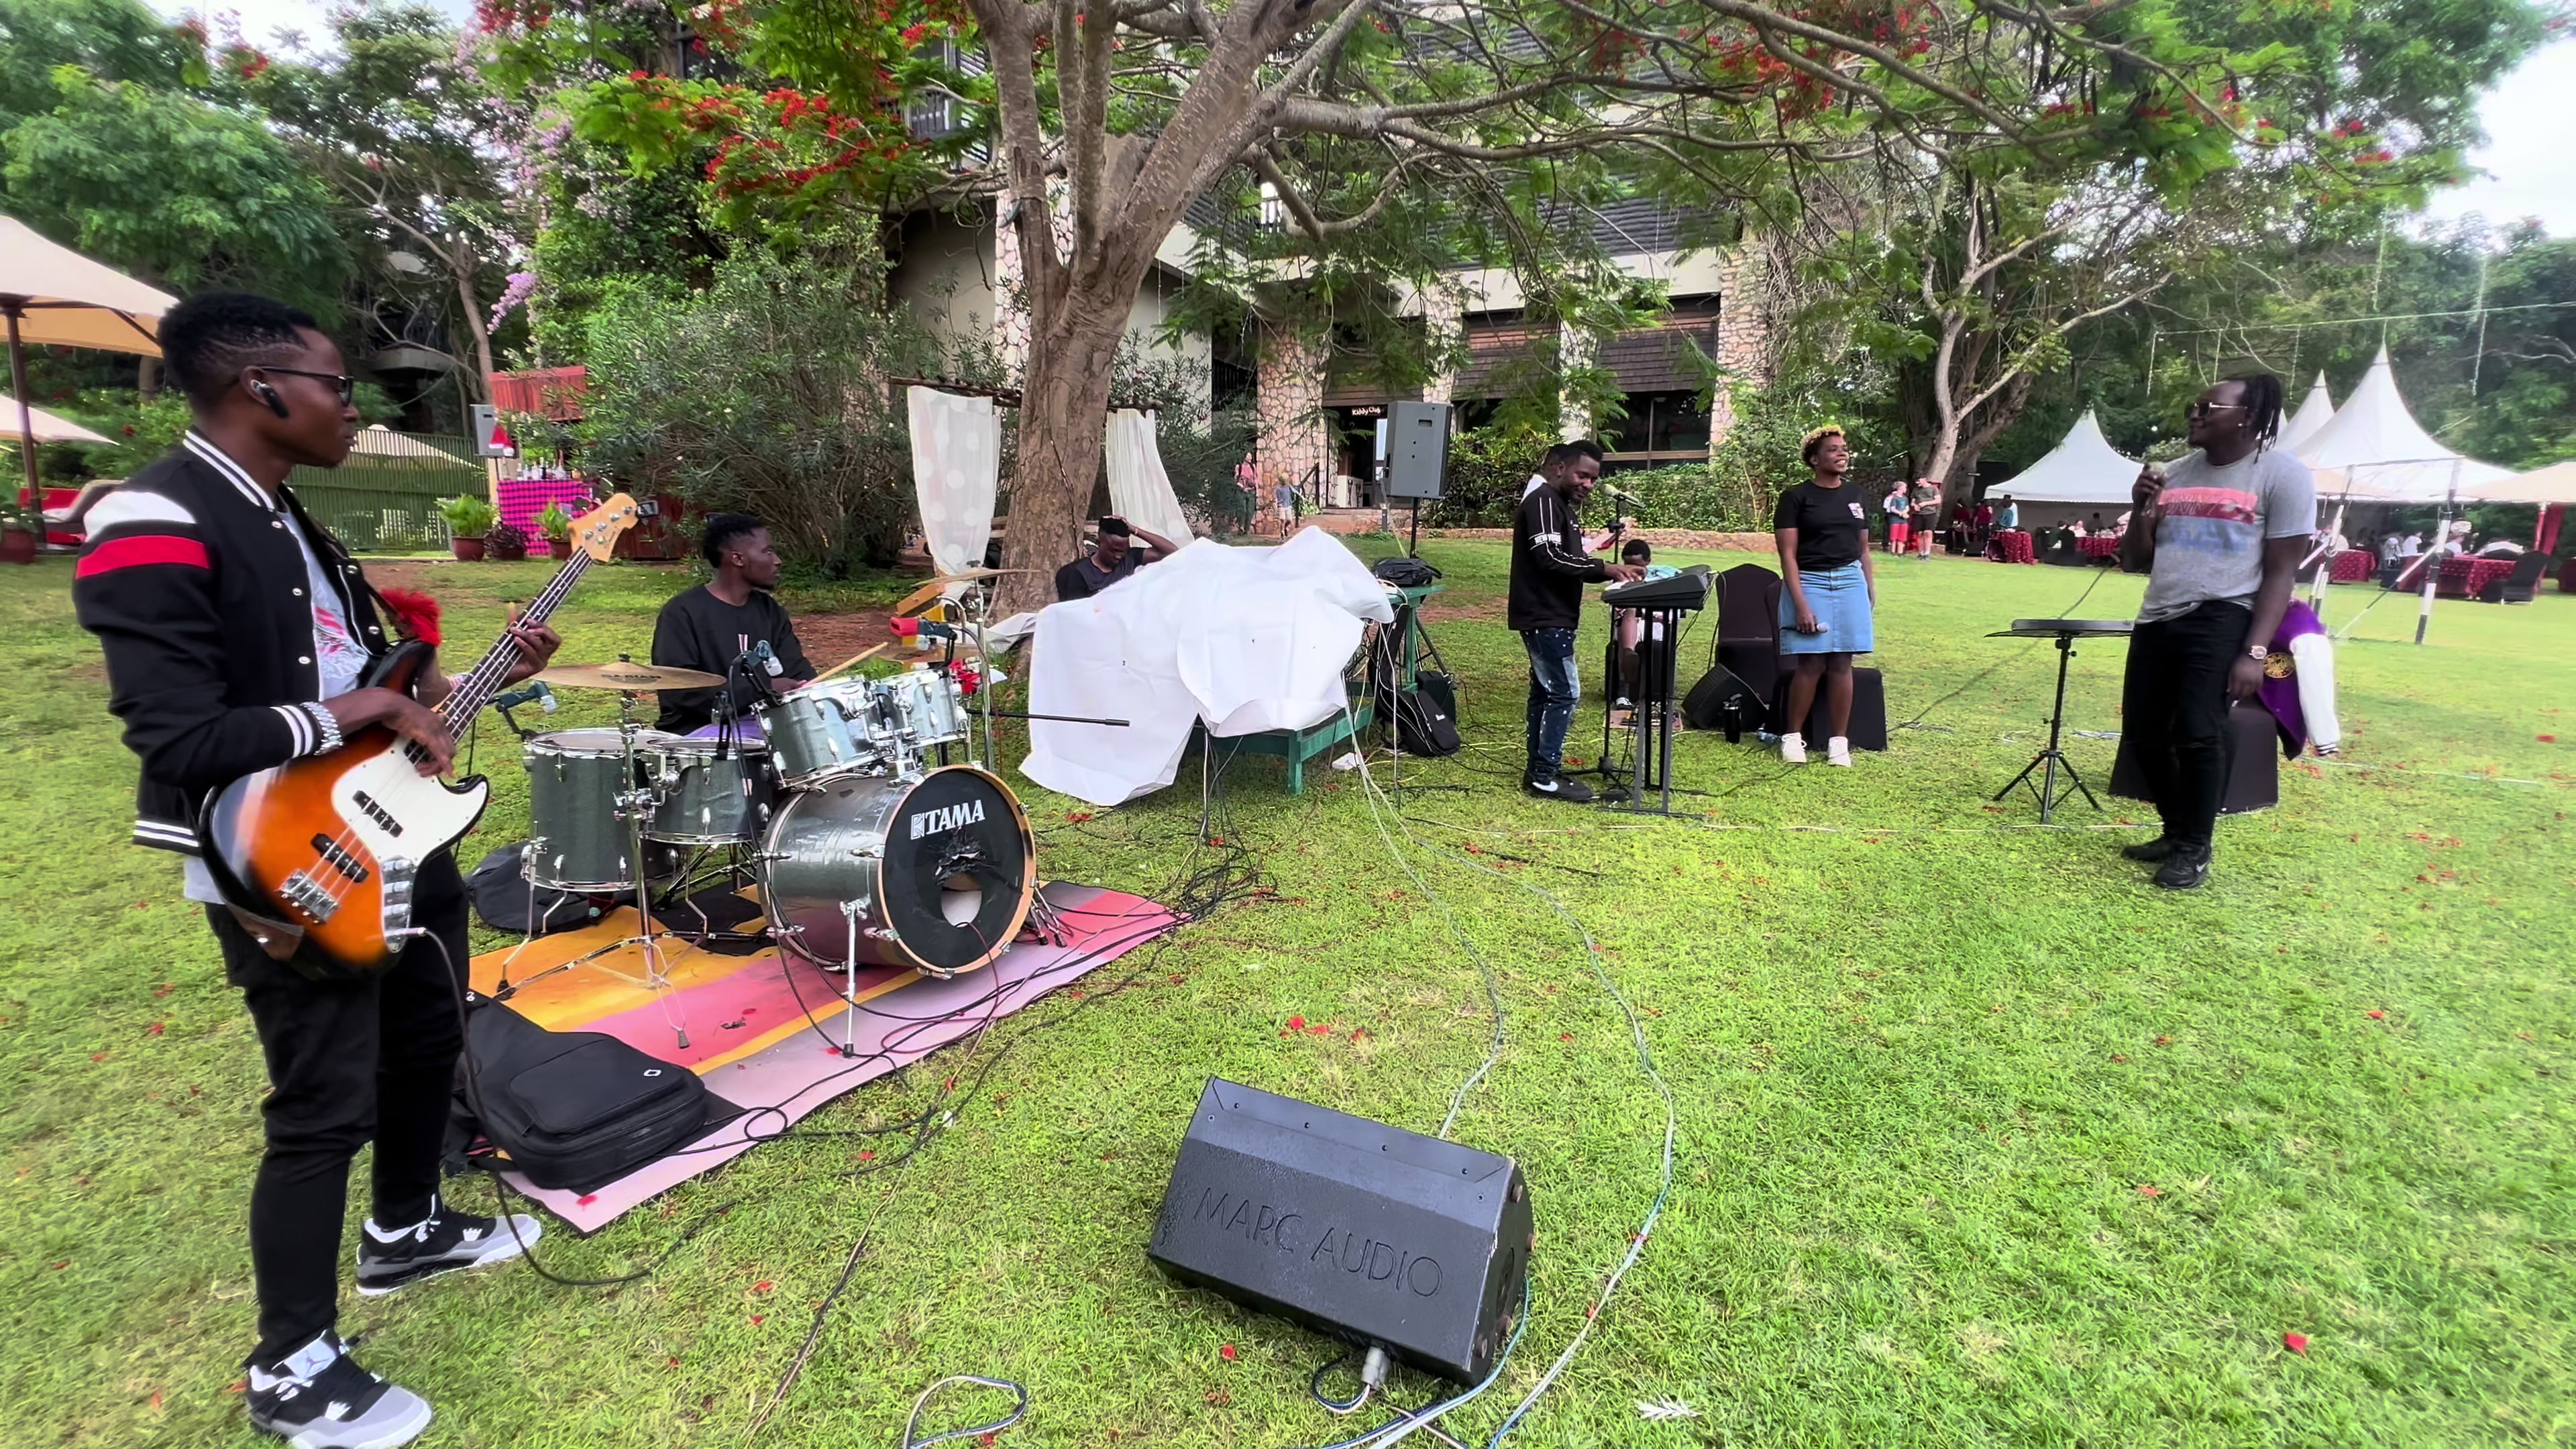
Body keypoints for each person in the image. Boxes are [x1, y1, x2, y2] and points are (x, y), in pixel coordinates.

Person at [71, 292, 563, 1449]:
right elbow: (179, 737)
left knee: (427, 1037)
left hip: (394, 827)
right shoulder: (153, 514)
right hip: (286, 858)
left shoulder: (296, 518)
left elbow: (365, 677)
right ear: (261, 387)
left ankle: (407, 1228)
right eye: (337, 386)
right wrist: (368, 708)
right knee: (321, 1103)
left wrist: (450, 683)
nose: (353, 408)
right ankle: (291, 1368)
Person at [2116, 372, 2314, 890]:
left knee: (2198, 732)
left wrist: (2255, 651)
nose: (2196, 414)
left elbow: (2281, 573)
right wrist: (2141, 509)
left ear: (2248, 416)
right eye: (2195, 405)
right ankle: (2175, 829)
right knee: (2143, 733)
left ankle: (2194, 848)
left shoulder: (2282, 476)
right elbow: (2134, 560)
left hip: (2224, 614)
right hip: (2158, 616)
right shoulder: (2175, 474)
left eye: (2210, 408)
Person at [1510, 439, 1645, 801]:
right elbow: (1549, 558)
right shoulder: (1542, 501)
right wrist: (1606, 568)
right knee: (1565, 693)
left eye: (1594, 479)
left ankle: (1540, 770)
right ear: (1559, 468)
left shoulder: (1560, 506)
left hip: (1553, 614)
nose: (1588, 484)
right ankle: (1544, 776)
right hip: (1544, 614)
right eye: (1582, 475)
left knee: (1546, 691)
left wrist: (1606, 569)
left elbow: (1567, 558)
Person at [650, 513, 817, 735]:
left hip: (766, 723)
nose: (777, 561)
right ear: (738, 559)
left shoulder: (770, 610)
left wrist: (810, 687)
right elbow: (680, 690)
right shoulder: (682, 612)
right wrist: (763, 689)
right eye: (767, 551)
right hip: (701, 730)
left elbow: (797, 670)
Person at [1775, 427, 1876, 765]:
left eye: (1843, 448)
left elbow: (1863, 549)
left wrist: (1868, 587)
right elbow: (1788, 556)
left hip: (1850, 580)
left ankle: (1839, 744)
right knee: (1811, 661)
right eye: (1833, 449)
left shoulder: (1856, 495)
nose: (1841, 453)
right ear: (1814, 459)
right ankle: (1792, 738)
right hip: (1810, 579)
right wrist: (1800, 604)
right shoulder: (1795, 497)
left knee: (1842, 661)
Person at [1611, 537, 1679, 712]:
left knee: (1633, 614)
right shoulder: (1620, 582)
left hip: (1657, 625)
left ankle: (1653, 693)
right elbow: (1617, 610)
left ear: (1648, 562)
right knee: (1631, 613)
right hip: (1632, 626)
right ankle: (1624, 689)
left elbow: (1675, 612)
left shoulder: (1663, 578)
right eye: (1628, 565)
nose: (1632, 569)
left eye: (1638, 565)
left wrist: (1650, 615)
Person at [1054, 514, 1181, 602]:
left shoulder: (1130, 559)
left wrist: (1134, 530)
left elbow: (1171, 552)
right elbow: (1075, 616)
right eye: (1113, 550)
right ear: (1099, 543)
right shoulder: (1079, 574)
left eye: (1123, 551)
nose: (1119, 556)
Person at [1913, 478, 1943, 557]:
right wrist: (1915, 506)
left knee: (1928, 532)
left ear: (1924, 479)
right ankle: (1921, 553)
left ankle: (1927, 553)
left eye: (1919, 481)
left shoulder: (1933, 489)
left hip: (1930, 513)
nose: (1917, 483)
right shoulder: (1916, 490)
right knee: (1920, 533)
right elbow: (1913, 501)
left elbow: (1938, 500)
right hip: (1919, 514)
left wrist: (1926, 503)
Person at [1882, 482, 1913, 553]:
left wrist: (1904, 512)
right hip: (1894, 518)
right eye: (1905, 487)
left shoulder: (1905, 498)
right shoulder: (1892, 497)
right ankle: (1892, 550)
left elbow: (1907, 507)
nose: (1906, 489)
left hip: (1903, 519)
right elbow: (1889, 508)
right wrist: (1900, 513)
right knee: (1893, 535)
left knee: (1902, 536)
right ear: (1901, 488)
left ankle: (1900, 552)